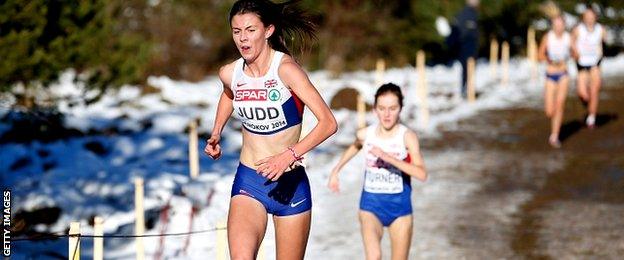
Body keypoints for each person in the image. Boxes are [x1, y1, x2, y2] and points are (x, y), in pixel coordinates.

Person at [204, 0, 337, 259]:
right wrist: (217, 131)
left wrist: (288, 155)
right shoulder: (230, 72)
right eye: (236, 31)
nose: (243, 39)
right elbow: (229, 94)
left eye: (250, 30)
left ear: (268, 30)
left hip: (290, 185)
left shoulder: (286, 70)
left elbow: (328, 123)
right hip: (249, 182)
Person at [327, 83, 427, 260]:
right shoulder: (367, 134)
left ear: (400, 109)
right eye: (381, 108)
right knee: (374, 257)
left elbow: (421, 174)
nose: (387, 114)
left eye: (392, 108)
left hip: (400, 210)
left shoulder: (407, 136)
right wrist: (336, 170)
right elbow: (355, 146)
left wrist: (390, 159)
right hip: (370, 207)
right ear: (374, 110)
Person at [538, 15, 572, 148]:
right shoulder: (548, 37)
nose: (558, 27)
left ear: (564, 25)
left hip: (563, 74)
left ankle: (555, 135)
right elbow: (539, 55)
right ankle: (554, 128)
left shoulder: (568, 38)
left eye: (561, 24)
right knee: (549, 111)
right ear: (553, 26)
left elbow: (576, 53)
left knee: (560, 104)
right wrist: (550, 60)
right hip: (550, 75)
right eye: (556, 25)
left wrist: (574, 53)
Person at [571, 7, 606, 129]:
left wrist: (601, 51)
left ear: (595, 17)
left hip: (595, 63)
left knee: (595, 91)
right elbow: (571, 42)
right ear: (584, 18)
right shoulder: (578, 29)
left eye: (592, 16)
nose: (589, 19)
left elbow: (603, 42)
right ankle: (587, 103)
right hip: (581, 64)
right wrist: (575, 52)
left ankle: (591, 118)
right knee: (583, 94)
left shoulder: (600, 29)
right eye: (587, 16)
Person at [448, 0, 480, 99]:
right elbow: (462, 32)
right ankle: (465, 90)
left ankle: (466, 89)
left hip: (468, 46)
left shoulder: (472, 13)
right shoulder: (466, 13)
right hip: (466, 47)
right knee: (467, 69)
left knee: (468, 69)